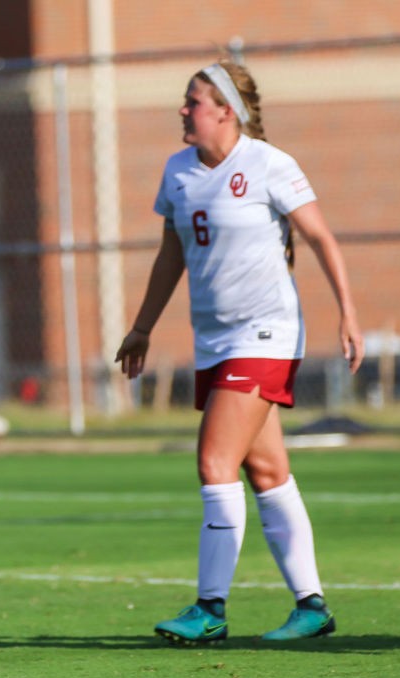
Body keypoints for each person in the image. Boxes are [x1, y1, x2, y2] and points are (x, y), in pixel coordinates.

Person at [114, 61, 363, 645]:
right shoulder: (178, 171)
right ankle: (312, 605)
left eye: (193, 101)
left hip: (267, 333)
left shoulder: (269, 165)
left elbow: (321, 237)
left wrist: (348, 313)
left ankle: (210, 608)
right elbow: (170, 257)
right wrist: (143, 327)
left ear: (226, 109)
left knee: (214, 463)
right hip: (215, 341)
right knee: (266, 469)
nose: (184, 110)